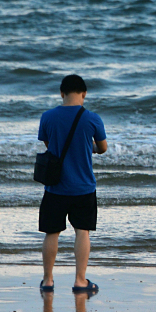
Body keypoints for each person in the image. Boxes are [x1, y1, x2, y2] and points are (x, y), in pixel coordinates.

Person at [38, 74, 107, 296]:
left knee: (51, 233)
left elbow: (49, 145)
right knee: (82, 232)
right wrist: (90, 149)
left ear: (61, 93)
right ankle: (80, 281)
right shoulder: (92, 118)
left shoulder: (47, 117)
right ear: (84, 94)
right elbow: (103, 148)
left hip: (55, 186)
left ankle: (48, 280)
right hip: (84, 186)